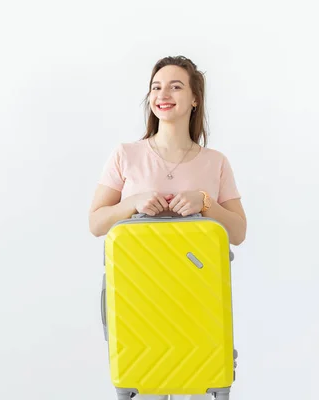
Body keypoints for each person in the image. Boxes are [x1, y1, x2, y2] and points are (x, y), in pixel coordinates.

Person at [89, 56, 247, 400]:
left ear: (194, 99)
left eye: (176, 86)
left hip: (198, 305)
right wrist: (133, 203)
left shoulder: (215, 162)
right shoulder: (126, 154)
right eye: (156, 87)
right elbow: (96, 222)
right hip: (139, 303)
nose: (164, 94)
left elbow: (237, 232)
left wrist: (205, 202)